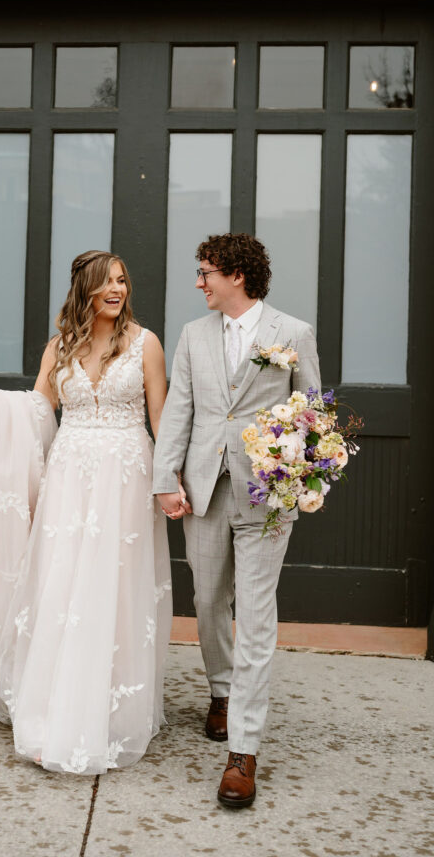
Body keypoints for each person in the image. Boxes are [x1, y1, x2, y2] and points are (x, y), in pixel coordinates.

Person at [0, 250, 172, 775]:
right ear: (85, 288)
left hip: (125, 479)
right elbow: (36, 411)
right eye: (108, 281)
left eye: (123, 280)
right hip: (68, 480)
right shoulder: (60, 347)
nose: (118, 289)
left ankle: (110, 715)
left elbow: (164, 419)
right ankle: (52, 712)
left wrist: (169, 482)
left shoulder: (146, 344)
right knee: (63, 590)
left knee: (111, 588)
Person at [153, 233, 321, 808]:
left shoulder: (292, 334)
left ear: (236, 276)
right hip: (204, 488)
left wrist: (299, 474)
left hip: (266, 496)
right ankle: (222, 691)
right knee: (206, 600)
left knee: (254, 614)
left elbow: (313, 414)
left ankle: (243, 752)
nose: (198, 282)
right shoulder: (193, 335)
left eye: (205, 273)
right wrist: (164, 478)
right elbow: (181, 408)